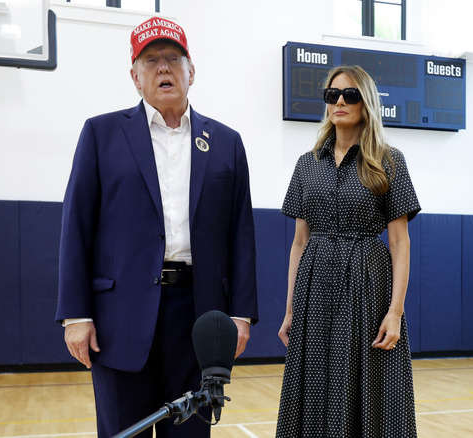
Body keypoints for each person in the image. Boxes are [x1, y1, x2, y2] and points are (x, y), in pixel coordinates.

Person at [55, 16, 258, 438]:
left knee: (189, 432)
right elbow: (76, 227)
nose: (163, 68)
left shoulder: (226, 142)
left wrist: (240, 315)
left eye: (173, 58)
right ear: (135, 76)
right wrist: (75, 314)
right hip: (120, 317)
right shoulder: (101, 133)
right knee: (122, 432)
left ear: (191, 71)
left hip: (199, 316)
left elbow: (241, 235)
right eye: (151, 61)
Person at [276, 65, 420, 437]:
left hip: (367, 286)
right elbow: (299, 241)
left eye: (350, 94)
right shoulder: (307, 164)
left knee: (366, 382)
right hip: (315, 287)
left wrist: (396, 312)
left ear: (366, 102)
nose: (339, 101)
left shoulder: (389, 160)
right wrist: (291, 308)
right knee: (315, 382)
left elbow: (400, 241)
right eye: (332, 95)